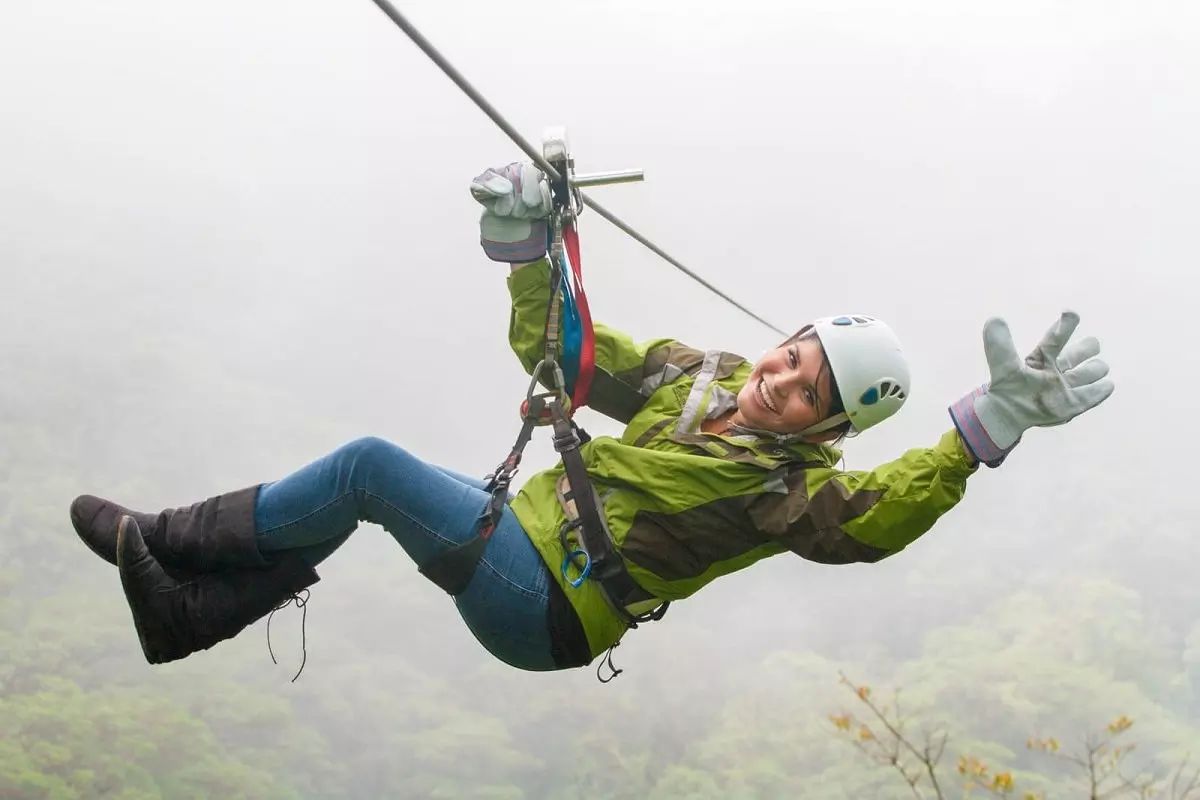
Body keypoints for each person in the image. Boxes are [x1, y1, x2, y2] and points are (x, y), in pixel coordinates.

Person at [70, 161, 1114, 676]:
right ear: (782, 338)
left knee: (369, 468)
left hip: (555, 605)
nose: (781, 383)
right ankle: (191, 606)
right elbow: (572, 356)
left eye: (808, 394)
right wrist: (530, 252)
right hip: (527, 545)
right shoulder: (699, 375)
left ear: (824, 430)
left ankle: (170, 546)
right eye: (792, 357)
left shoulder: (789, 490)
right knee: (366, 487)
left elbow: (879, 516)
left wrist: (982, 431)